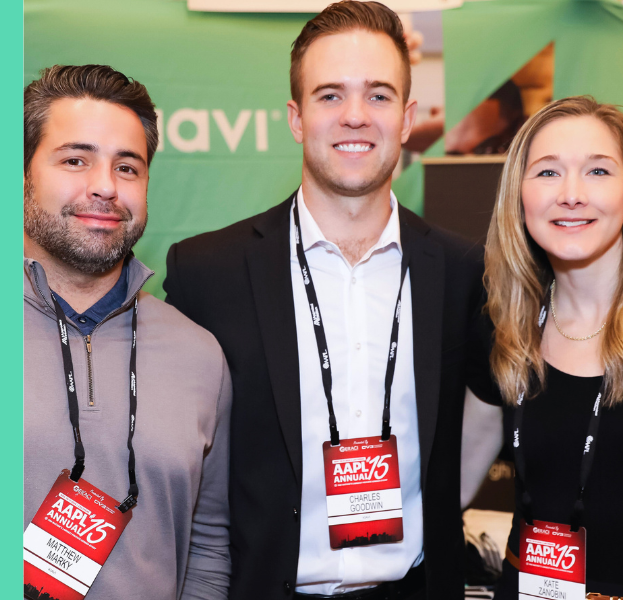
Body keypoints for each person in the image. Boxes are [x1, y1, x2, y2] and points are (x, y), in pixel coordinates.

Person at [163, 3, 484, 598]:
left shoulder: (463, 270)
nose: (356, 117)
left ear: (409, 117)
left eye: (380, 96)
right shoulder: (206, 273)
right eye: (331, 95)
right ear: (296, 116)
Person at [22, 64, 232, 600]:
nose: (104, 187)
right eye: (75, 160)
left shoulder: (199, 355)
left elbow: (207, 546)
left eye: (128, 167)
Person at [469, 96, 623, 597]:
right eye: (548, 173)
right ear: (520, 197)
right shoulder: (503, 323)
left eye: (598, 171)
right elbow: (452, 479)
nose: (572, 194)